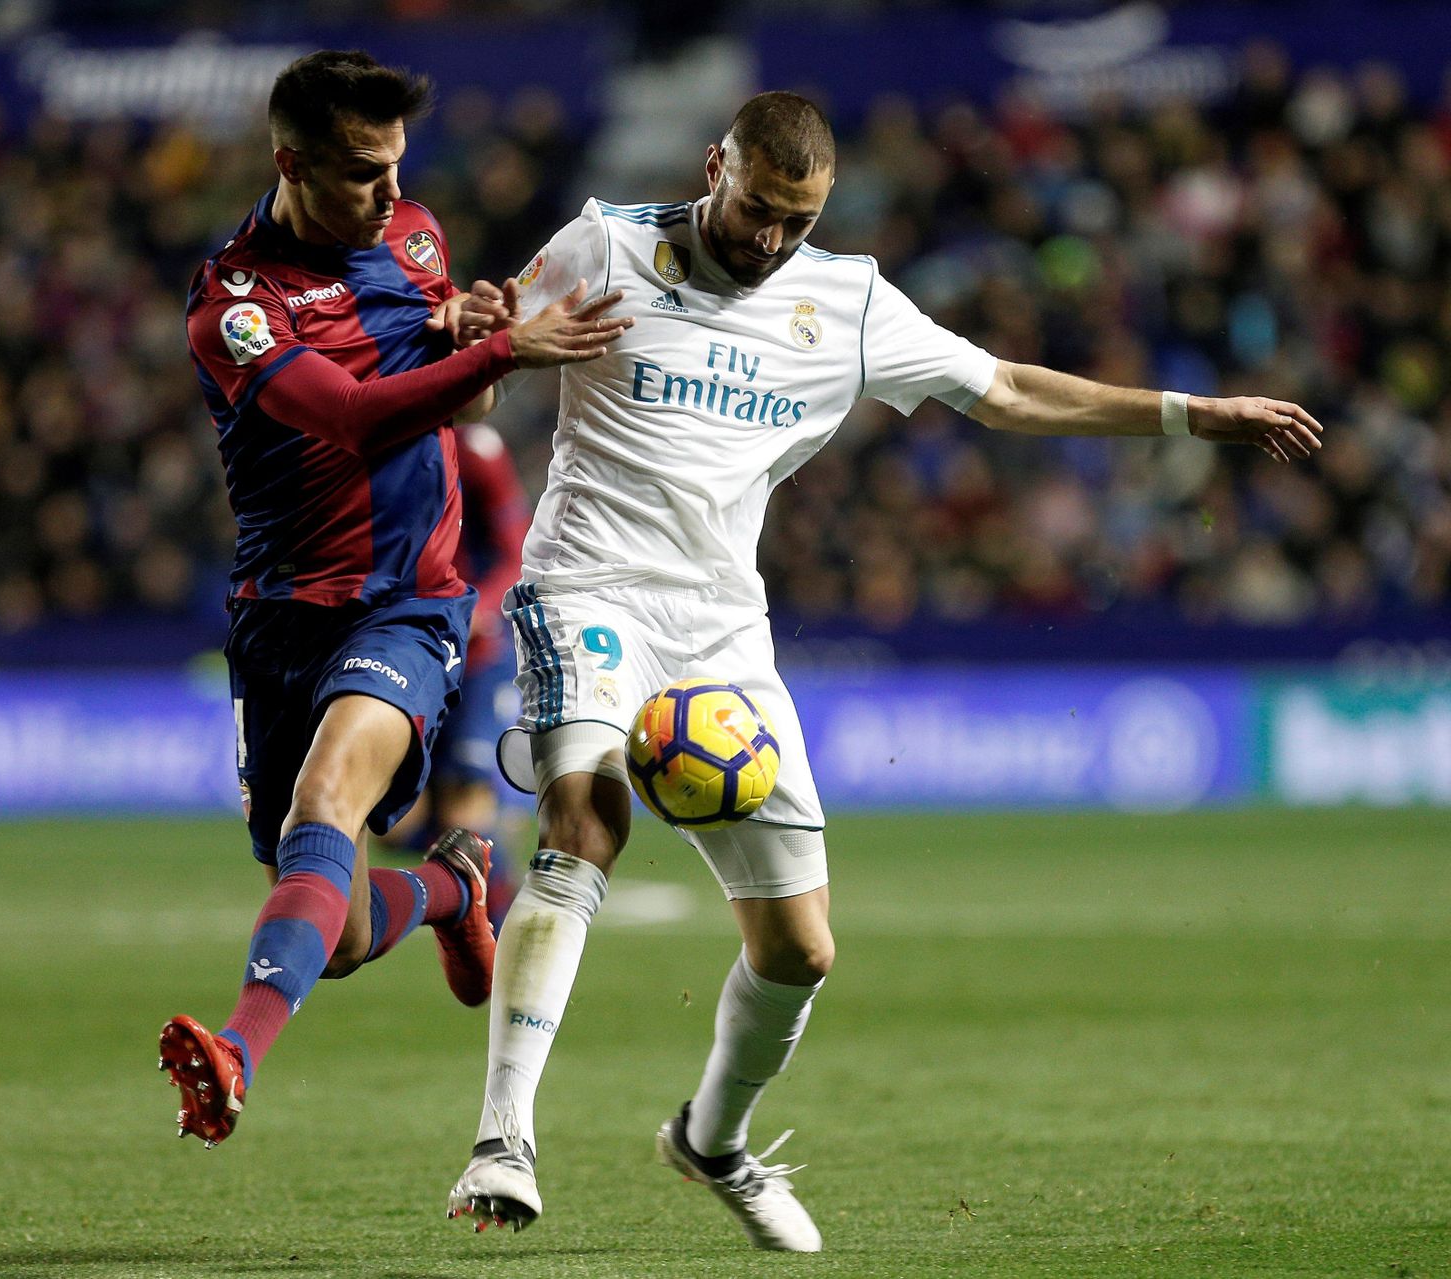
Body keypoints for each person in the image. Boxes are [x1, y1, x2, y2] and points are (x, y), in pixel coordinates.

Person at [442, 92, 1323, 1249]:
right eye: (757, 208)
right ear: (717, 166)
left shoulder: (843, 300)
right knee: (584, 819)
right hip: (585, 589)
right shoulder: (602, 245)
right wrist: (479, 341)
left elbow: (1004, 389)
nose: (769, 239)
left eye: (794, 221)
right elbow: (478, 390)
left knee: (801, 950)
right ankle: (503, 1138)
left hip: (723, 630)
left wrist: (1192, 415)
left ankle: (710, 1140)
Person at [158, 49, 632, 1149]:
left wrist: (464, 322)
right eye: (363, 173)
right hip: (281, 616)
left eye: (396, 166)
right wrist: (502, 345)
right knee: (348, 924)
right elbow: (353, 417)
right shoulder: (236, 302)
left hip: (405, 605)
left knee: (325, 801)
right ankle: (458, 890)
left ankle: (235, 1053)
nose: (389, 192)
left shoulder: (412, 234)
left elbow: (429, 345)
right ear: (291, 164)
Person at [375, 421, 534, 932]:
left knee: (465, 808)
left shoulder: (477, 451)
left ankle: (503, 932)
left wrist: (481, 608)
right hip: (412, 651)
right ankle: (481, 873)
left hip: (480, 655)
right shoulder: (380, 443)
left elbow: (518, 551)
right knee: (397, 827)